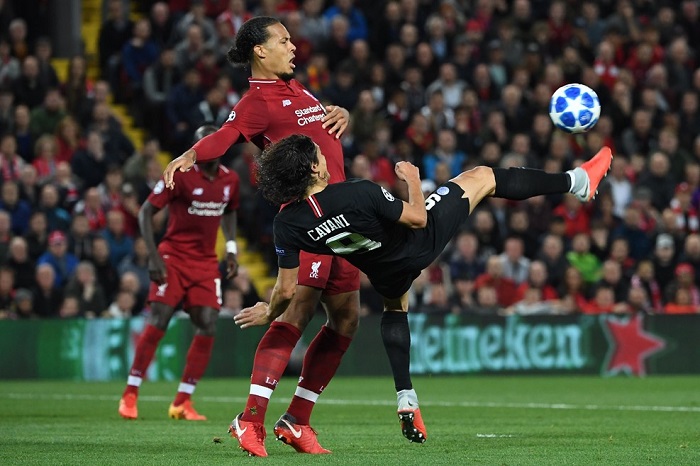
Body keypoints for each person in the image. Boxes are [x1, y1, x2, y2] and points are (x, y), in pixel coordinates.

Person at [234, 134, 613, 450]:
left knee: (395, 308)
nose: (325, 156)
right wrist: (413, 179)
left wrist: (269, 312)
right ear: (315, 168)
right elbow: (418, 217)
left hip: (381, 270)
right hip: (418, 244)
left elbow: (286, 286)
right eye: (319, 153)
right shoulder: (356, 193)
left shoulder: (287, 222)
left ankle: (406, 397)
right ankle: (578, 181)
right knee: (482, 177)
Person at [163, 17, 360, 457]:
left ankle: (296, 420)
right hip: (311, 218)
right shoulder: (256, 100)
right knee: (294, 312)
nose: (294, 46)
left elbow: (317, 131)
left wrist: (342, 113)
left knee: (346, 319)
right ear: (260, 51)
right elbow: (226, 135)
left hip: (341, 214)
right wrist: (191, 155)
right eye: (284, 40)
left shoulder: (297, 90)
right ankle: (249, 420)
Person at [118, 125, 239, 421]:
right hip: (173, 257)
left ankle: (182, 401)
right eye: (198, 142)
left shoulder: (230, 179)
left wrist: (232, 247)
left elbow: (230, 210)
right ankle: (130, 393)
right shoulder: (181, 174)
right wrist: (154, 256)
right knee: (159, 317)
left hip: (206, 262)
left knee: (208, 323)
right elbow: (146, 212)